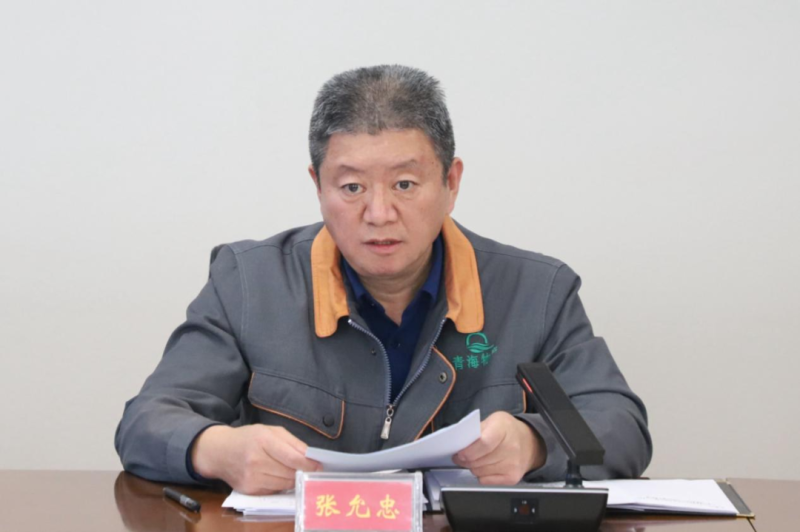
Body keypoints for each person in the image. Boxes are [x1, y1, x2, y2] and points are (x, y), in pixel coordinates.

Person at [115, 65, 652, 495]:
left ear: (451, 182)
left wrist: (533, 444)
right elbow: (147, 421)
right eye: (351, 187)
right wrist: (218, 450)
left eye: (404, 184)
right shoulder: (250, 283)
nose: (378, 214)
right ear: (317, 185)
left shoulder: (537, 292)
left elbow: (620, 425)